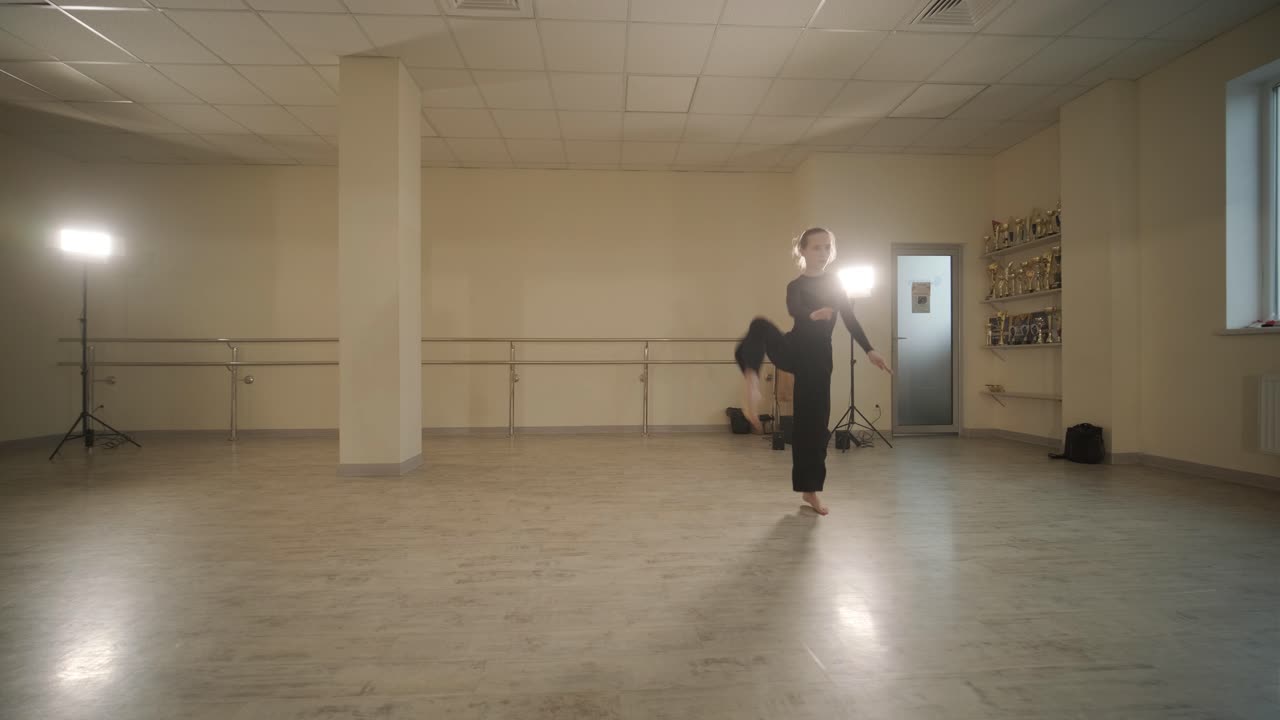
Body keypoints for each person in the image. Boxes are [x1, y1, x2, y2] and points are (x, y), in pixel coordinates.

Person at [733, 227, 891, 516]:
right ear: (802, 251)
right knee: (759, 326)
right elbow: (795, 308)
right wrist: (811, 315)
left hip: (818, 360)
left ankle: (810, 491)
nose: (822, 252)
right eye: (816, 247)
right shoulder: (796, 285)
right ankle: (751, 379)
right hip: (794, 348)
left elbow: (850, 320)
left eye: (827, 247)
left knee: (814, 429)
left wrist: (870, 350)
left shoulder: (836, 285)